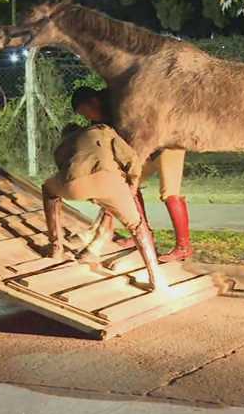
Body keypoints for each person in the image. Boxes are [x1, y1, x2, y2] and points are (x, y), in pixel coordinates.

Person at [41, 93, 166, 292]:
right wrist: (132, 184)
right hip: (111, 182)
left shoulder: (63, 145)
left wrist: (90, 194)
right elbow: (131, 159)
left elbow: (65, 171)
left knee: (48, 189)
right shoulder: (103, 130)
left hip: (75, 185)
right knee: (138, 227)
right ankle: (156, 279)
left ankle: (56, 247)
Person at [70, 88, 194, 262]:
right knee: (127, 188)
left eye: (85, 112)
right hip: (145, 152)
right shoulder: (103, 116)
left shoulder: (121, 100)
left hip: (167, 142)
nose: (87, 117)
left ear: (93, 102)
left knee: (170, 193)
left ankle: (184, 247)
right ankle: (144, 235)